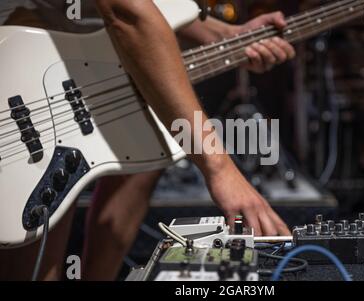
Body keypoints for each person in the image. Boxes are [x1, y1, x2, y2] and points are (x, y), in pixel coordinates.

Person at [0, 0, 296, 281]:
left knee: (147, 155)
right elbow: (129, 13)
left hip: (70, 58)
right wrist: (219, 168)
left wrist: (226, 34)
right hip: (24, 73)